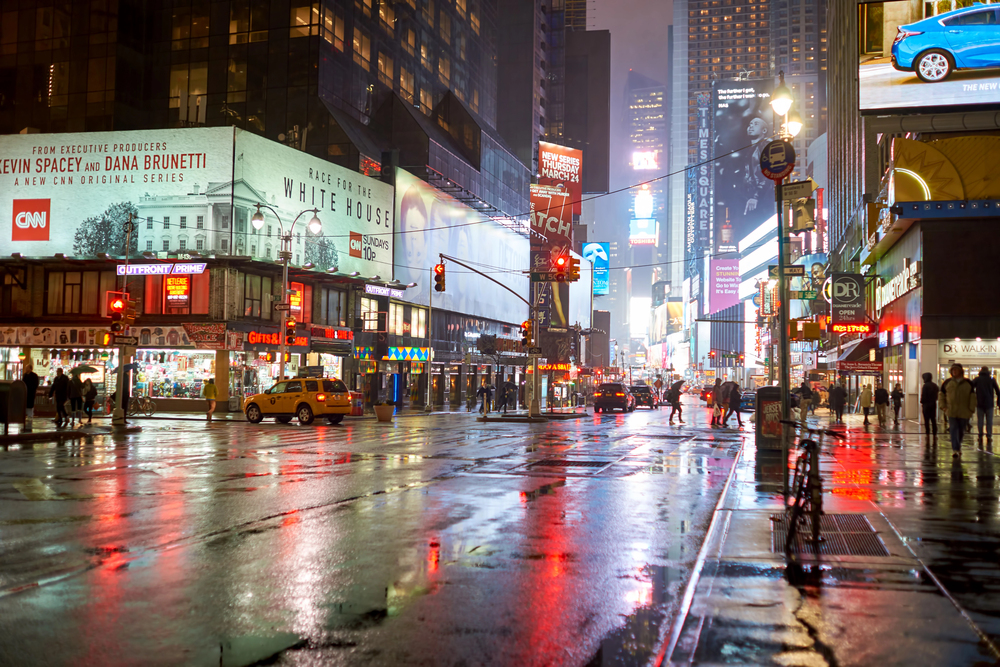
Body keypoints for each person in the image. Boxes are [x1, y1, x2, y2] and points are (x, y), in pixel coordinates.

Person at [941, 363, 977, 457]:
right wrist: (943, 406)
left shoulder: (968, 383)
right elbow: (941, 395)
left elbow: (972, 397)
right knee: (953, 429)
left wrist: (971, 409)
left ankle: (958, 445)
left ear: (961, 371)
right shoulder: (947, 382)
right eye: (952, 370)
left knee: (961, 430)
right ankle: (955, 449)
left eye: (956, 370)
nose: (954, 372)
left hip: (964, 411)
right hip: (951, 410)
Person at [920, 372, 939, 437]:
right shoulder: (935, 385)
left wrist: (922, 401)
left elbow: (924, 396)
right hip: (933, 404)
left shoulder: (925, 386)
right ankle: (934, 432)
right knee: (933, 419)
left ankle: (927, 432)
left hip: (926, 405)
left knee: (926, 420)